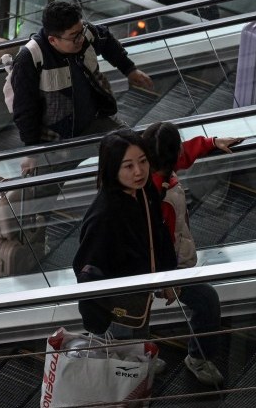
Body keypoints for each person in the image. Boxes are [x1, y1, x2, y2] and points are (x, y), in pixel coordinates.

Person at [143, 122, 243, 386]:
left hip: (167, 267)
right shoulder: (154, 196)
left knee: (143, 312)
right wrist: (165, 280)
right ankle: (191, 358)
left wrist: (210, 143)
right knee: (206, 300)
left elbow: (181, 155)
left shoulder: (154, 173)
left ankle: (145, 357)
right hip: (159, 271)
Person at [73, 130, 177, 372]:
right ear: (112, 169)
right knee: (122, 358)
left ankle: (140, 360)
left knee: (139, 328)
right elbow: (86, 269)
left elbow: (158, 232)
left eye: (142, 161)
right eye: (128, 166)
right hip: (118, 302)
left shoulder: (142, 190)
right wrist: (97, 319)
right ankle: (132, 374)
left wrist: (168, 276)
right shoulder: (105, 216)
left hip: (144, 287)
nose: (139, 171)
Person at [10, 0, 153, 148]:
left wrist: (129, 69)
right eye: (74, 36)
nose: (81, 39)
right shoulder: (30, 58)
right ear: (53, 40)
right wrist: (32, 149)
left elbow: (106, 40)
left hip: (96, 119)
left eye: (81, 31)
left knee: (135, 149)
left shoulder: (84, 32)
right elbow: (25, 107)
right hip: (56, 139)